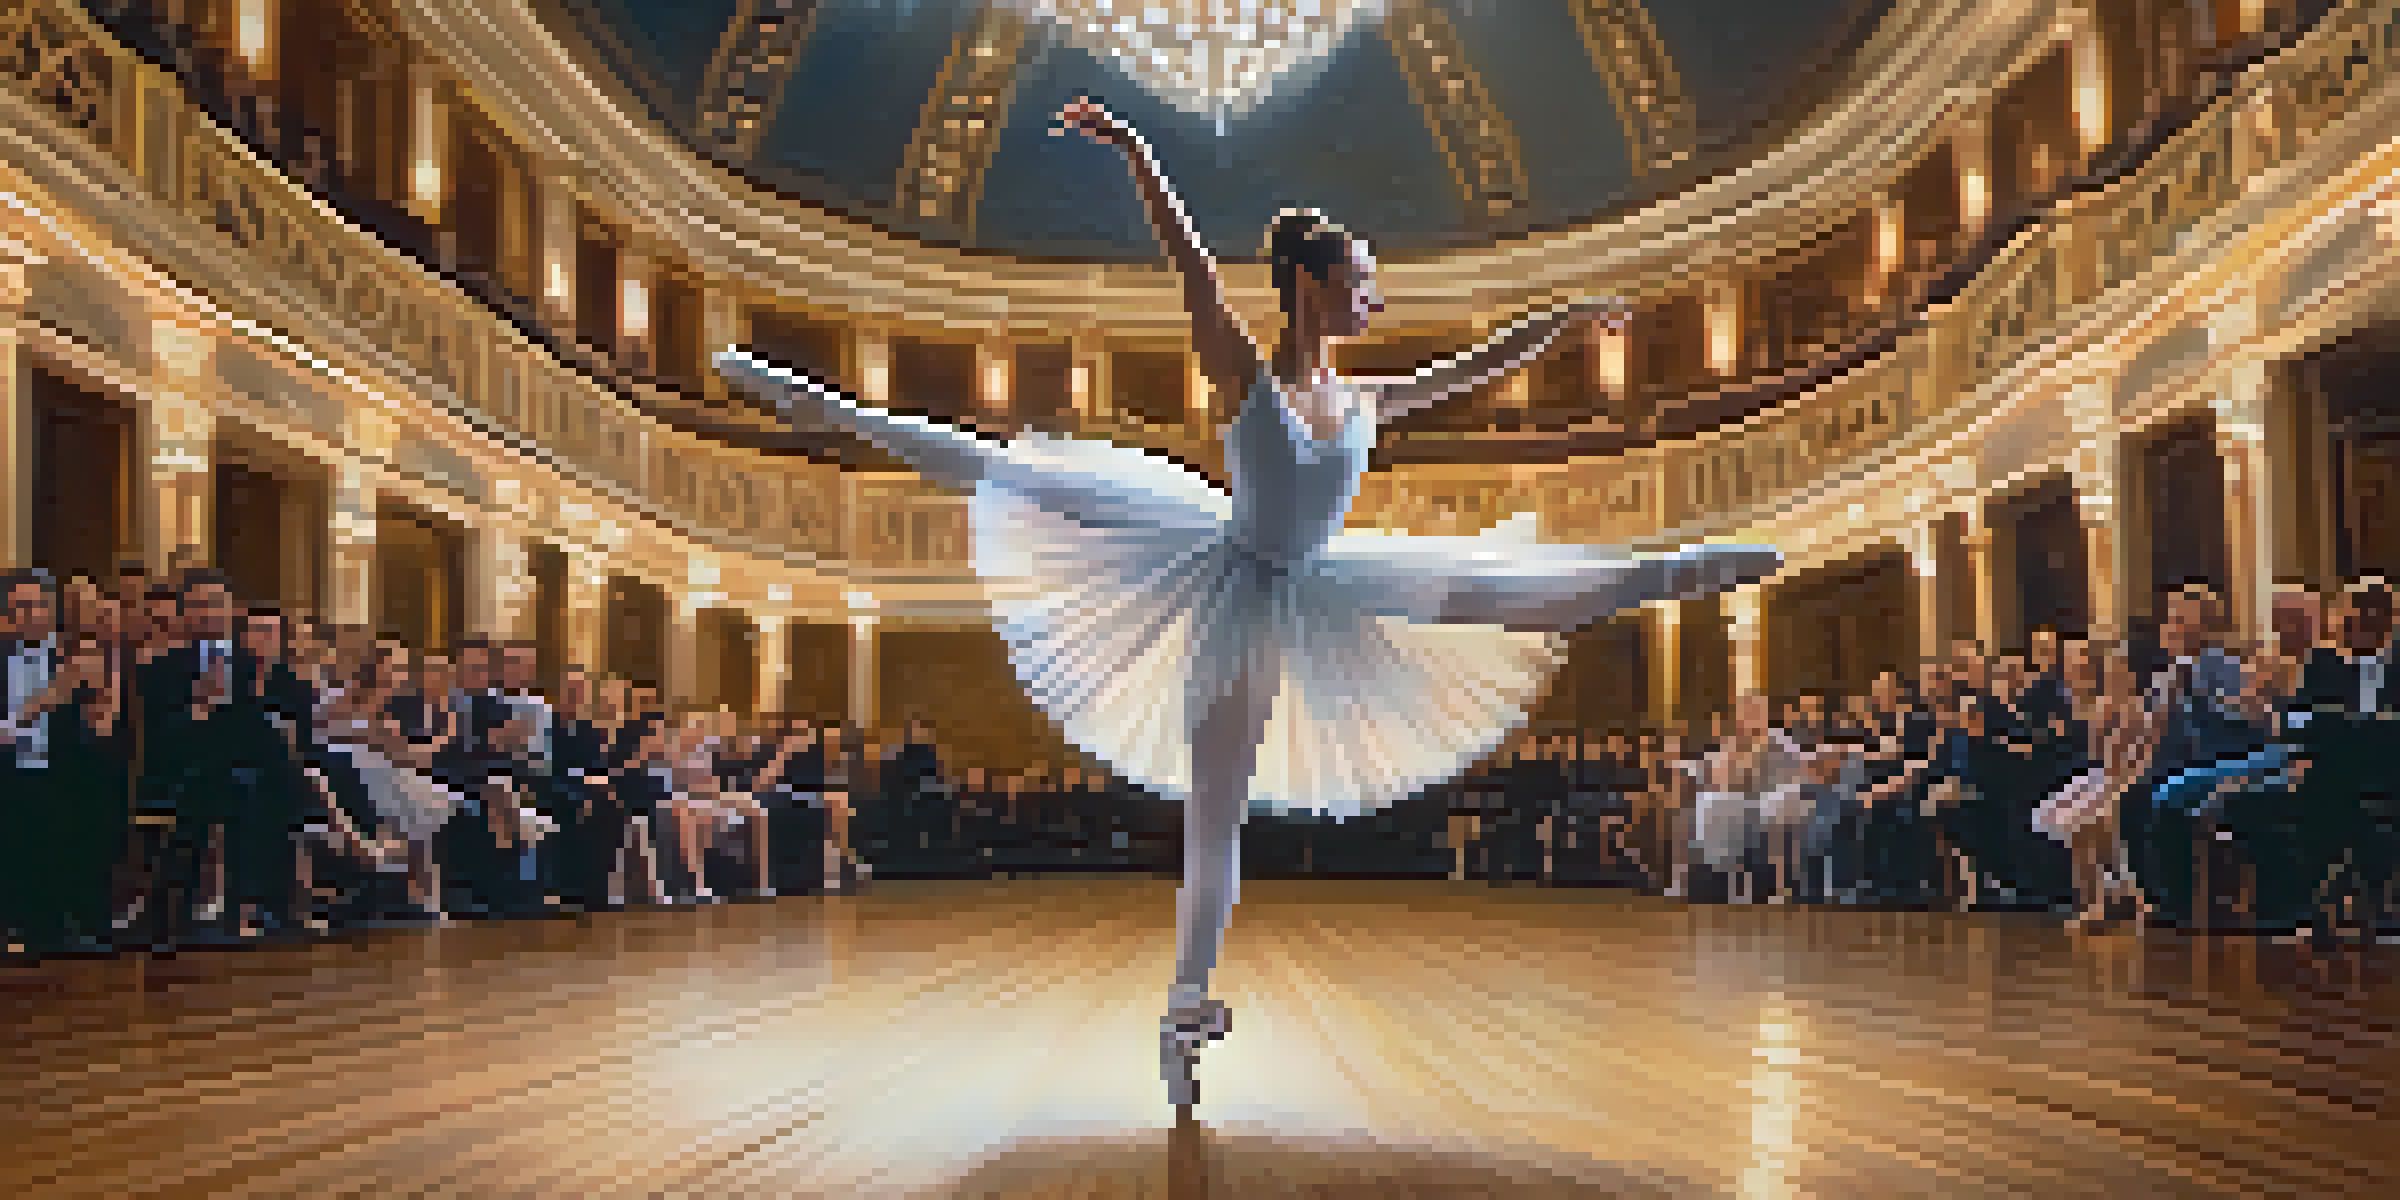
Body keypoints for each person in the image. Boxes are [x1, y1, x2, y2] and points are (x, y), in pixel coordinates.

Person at [717, 96, 1780, 1108]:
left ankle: (1675, 570)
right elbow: (1188, 262)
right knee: (1022, 496)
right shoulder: (1248, 376)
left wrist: (1566, 317)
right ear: (1313, 284)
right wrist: (1137, 151)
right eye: (1362, 279)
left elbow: (1482, 363)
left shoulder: (1369, 395)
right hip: (1226, 585)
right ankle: (1185, 1012)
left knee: (1516, 595)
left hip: (1325, 579)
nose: (1376, 296)